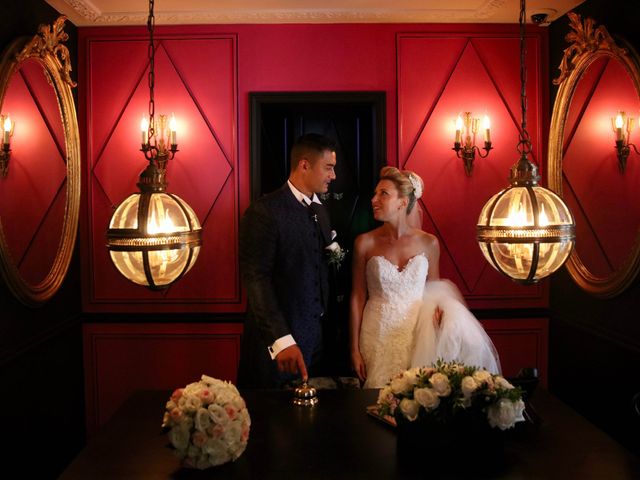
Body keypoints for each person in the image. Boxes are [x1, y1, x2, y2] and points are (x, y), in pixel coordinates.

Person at [349, 166, 500, 388]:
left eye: (383, 194)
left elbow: (434, 293)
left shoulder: (429, 243)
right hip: (376, 334)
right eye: (375, 193)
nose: (374, 200)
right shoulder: (364, 243)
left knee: (416, 397)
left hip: (417, 334)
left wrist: (440, 317)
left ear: (402, 202)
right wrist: (353, 349)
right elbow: (357, 297)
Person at [237, 133, 337, 388]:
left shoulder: (321, 211)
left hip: (317, 345)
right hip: (276, 349)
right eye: (328, 168)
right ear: (305, 165)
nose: (333, 176)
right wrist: (281, 340)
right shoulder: (264, 211)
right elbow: (256, 279)